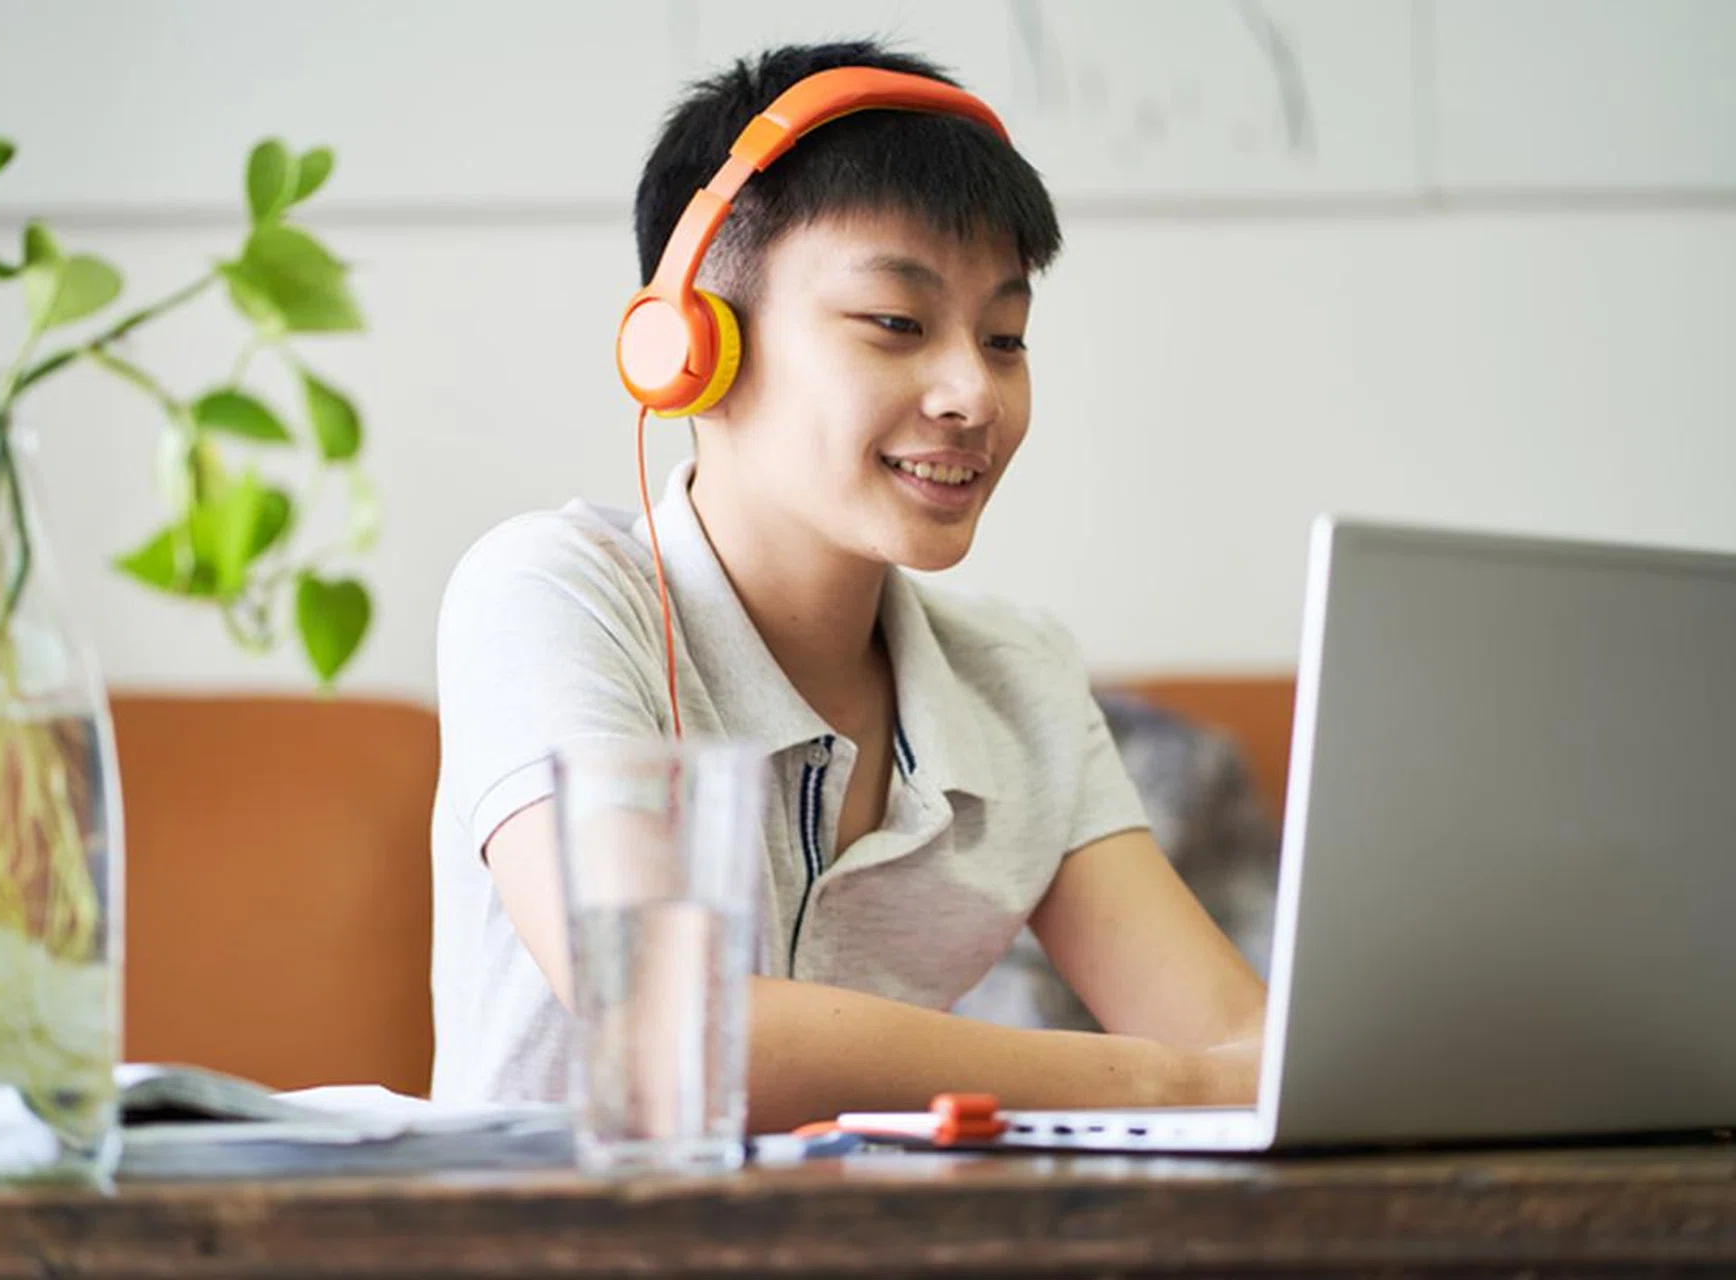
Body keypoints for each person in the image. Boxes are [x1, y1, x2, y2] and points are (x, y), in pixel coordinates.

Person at [430, 40, 1265, 1132]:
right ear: (692, 345)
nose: (973, 390)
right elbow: (665, 1022)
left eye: (1005, 336)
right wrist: (1157, 1080)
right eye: (896, 324)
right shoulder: (552, 594)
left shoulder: (1018, 677)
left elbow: (1240, 1046)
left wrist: (1198, 1070)